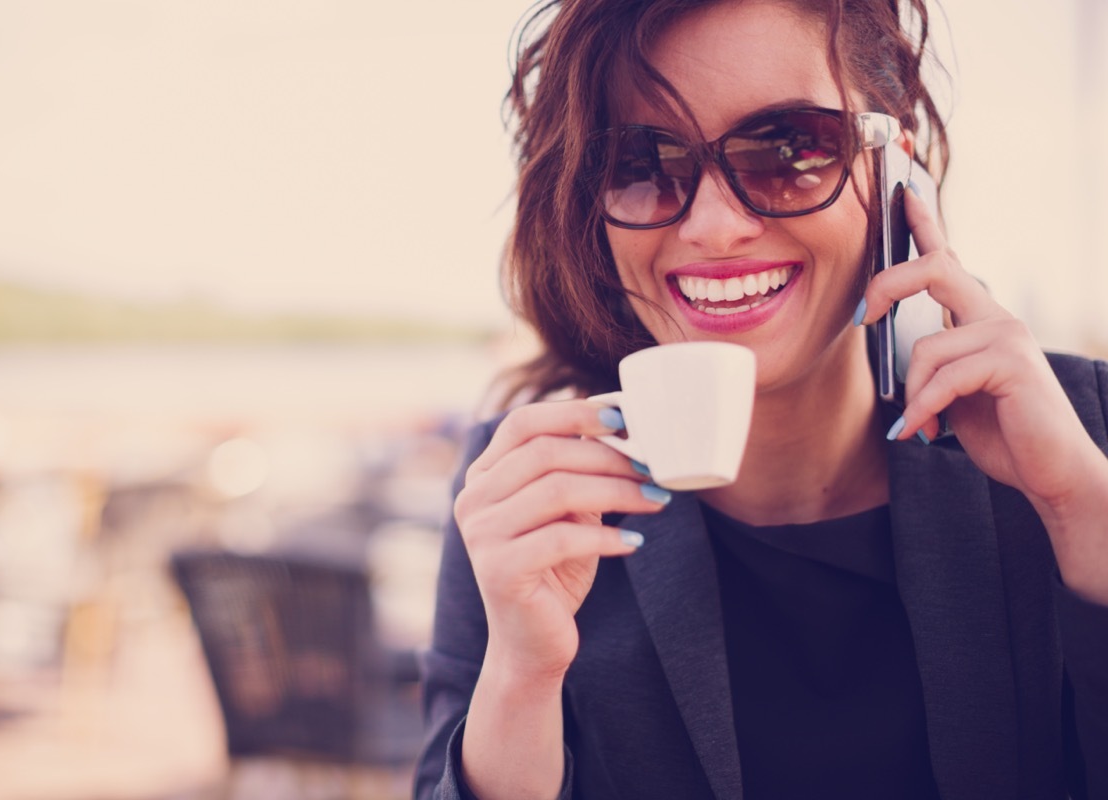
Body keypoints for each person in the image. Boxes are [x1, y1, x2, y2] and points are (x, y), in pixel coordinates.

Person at [414, 0, 1108, 797]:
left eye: (790, 149)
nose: (715, 227)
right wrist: (520, 681)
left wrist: (1083, 515)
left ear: (894, 173)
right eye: (643, 162)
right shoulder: (527, 497)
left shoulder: (1080, 438)